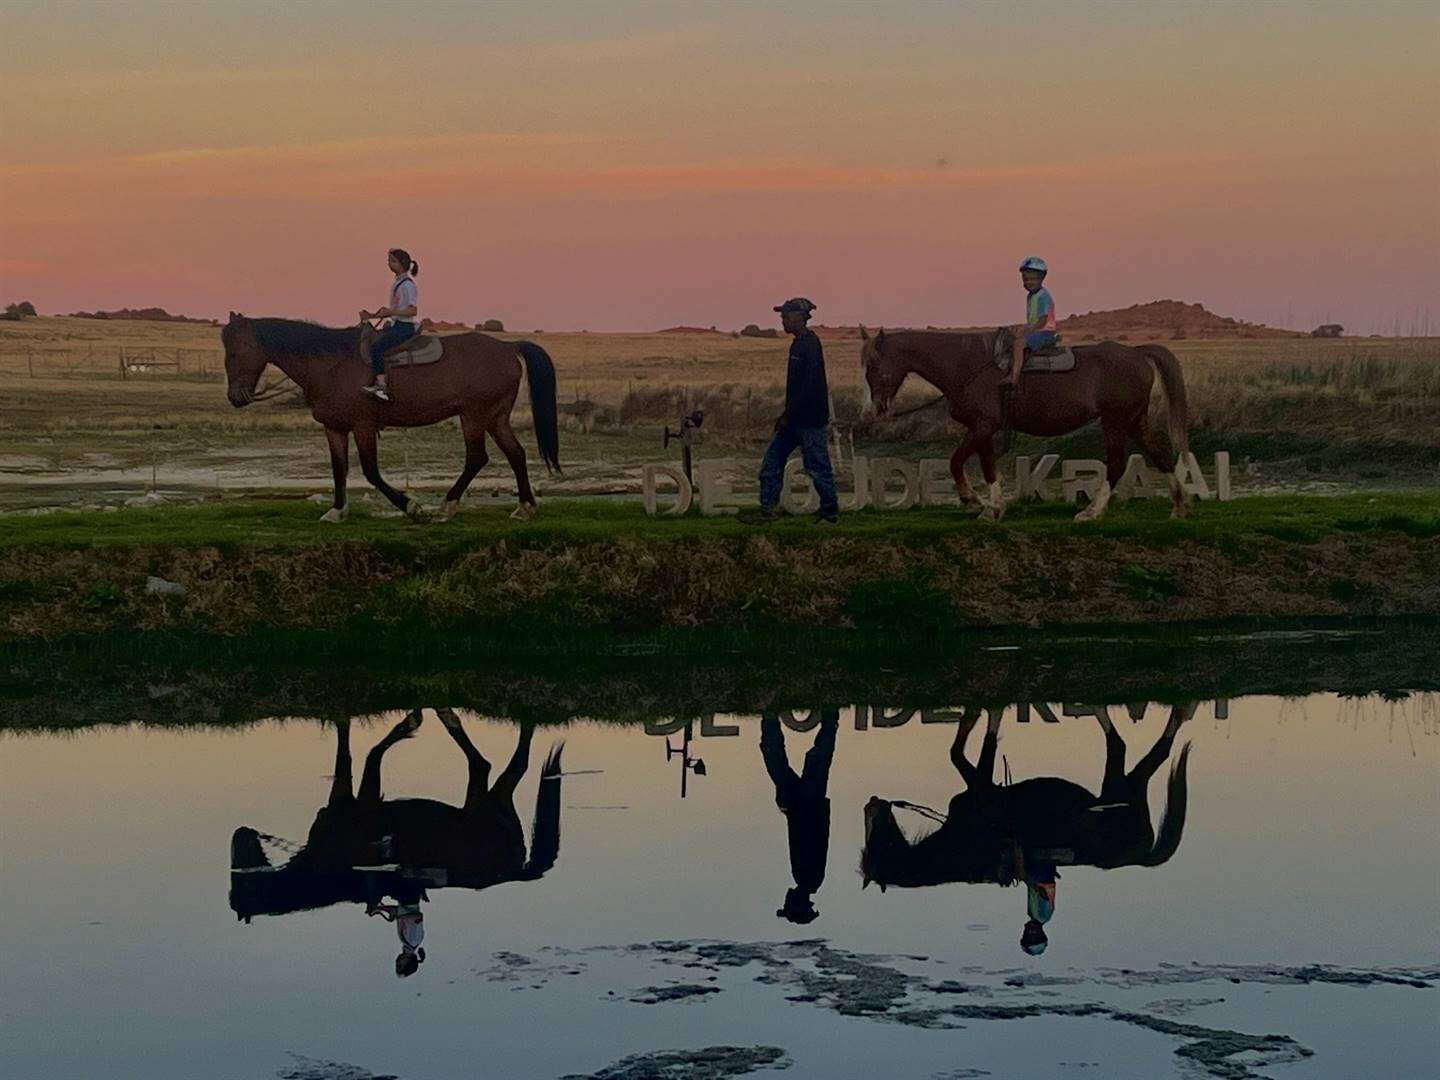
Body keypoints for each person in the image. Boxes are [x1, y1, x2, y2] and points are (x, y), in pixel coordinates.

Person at [754, 297, 840, 523]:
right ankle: (768, 509)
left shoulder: (810, 343)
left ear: (800, 317)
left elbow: (809, 385)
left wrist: (787, 415)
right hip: (793, 420)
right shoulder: (798, 343)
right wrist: (788, 416)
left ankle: (830, 513)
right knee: (771, 464)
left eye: (786, 316)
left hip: (809, 420)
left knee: (818, 468)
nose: (783, 320)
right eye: (782, 316)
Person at [760, 710, 839, 924]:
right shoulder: (809, 878)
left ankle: (770, 716)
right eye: (788, 905)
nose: (786, 900)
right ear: (798, 903)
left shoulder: (807, 879)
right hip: (805, 805)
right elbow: (810, 835)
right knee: (815, 758)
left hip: (803, 806)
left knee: (808, 759)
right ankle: (771, 716)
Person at [360, 248, 420, 402]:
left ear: (401, 264)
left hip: (404, 327)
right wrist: (373, 315)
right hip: (396, 324)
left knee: (377, 348)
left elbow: (413, 310)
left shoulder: (407, 285)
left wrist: (390, 312)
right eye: (389, 261)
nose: (389, 264)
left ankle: (381, 386)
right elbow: (396, 310)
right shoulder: (398, 283)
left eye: (392, 261)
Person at [1003, 256, 1059, 387]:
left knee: (1019, 343)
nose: (1028, 282)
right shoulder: (1031, 296)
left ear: (1041, 279)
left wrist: (1026, 330)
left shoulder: (1043, 296)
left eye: (1032, 279)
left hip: (1046, 332)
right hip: (1036, 331)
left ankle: (1014, 376)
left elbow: (1042, 321)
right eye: (1026, 279)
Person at [367, 878, 427, 977]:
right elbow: (417, 917)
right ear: (408, 963)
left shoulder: (407, 943)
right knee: (377, 885)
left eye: (397, 965)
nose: (397, 962)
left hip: (406, 899)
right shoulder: (413, 940)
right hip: (409, 897)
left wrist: (379, 909)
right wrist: (398, 916)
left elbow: (399, 912)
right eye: (400, 965)